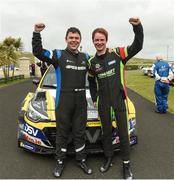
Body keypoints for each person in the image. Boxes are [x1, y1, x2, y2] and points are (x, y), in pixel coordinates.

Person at [32, 24, 92, 178]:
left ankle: (81, 159)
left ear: (80, 40)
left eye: (76, 38)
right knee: (62, 133)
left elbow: (99, 67)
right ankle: (60, 161)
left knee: (79, 133)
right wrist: (36, 33)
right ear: (66, 39)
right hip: (64, 101)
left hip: (81, 101)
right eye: (71, 38)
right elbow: (38, 52)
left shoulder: (86, 57)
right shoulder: (58, 55)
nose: (73, 40)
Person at [88, 17, 144, 179]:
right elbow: (91, 81)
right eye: (96, 40)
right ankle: (109, 159)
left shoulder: (118, 54)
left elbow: (137, 46)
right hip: (103, 103)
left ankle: (126, 165)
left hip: (119, 101)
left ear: (106, 40)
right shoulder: (91, 62)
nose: (99, 42)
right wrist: (94, 97)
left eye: (102, 40)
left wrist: (137, 27)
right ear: (93, 41)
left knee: (123, 133)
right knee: (106, 133)